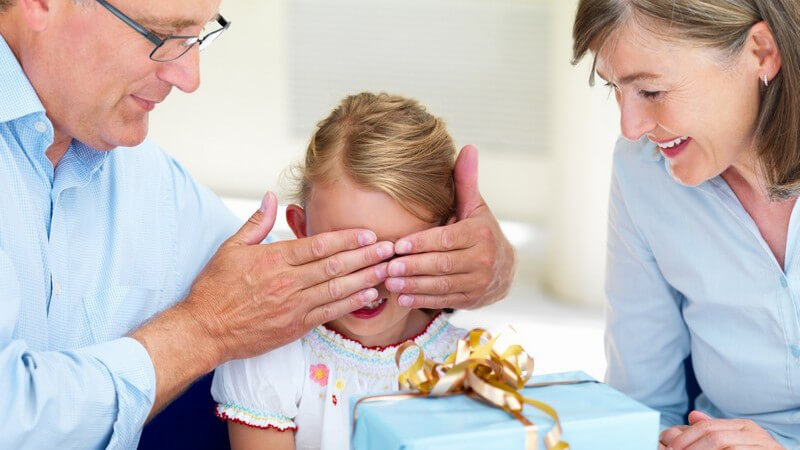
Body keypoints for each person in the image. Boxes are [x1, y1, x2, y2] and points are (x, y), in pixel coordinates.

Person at [0, 1, 516, 448]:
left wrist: (481, 264)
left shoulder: (138, 175)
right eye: (160, 34)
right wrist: (202, 331)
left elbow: (285, 278)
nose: (190, 77)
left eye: (199, 33)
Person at [572, 1, 800, 449]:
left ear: (761, 52)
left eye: (651, 92)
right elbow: (640, 407)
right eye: (615, 89)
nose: (631, 126)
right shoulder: (641, 173)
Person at [211, 92, 468, 450]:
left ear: (445, 243)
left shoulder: (468, 366)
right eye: (346, 250)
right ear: (303, 231)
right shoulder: (274, 356)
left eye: (394, 252)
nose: (369, 281)